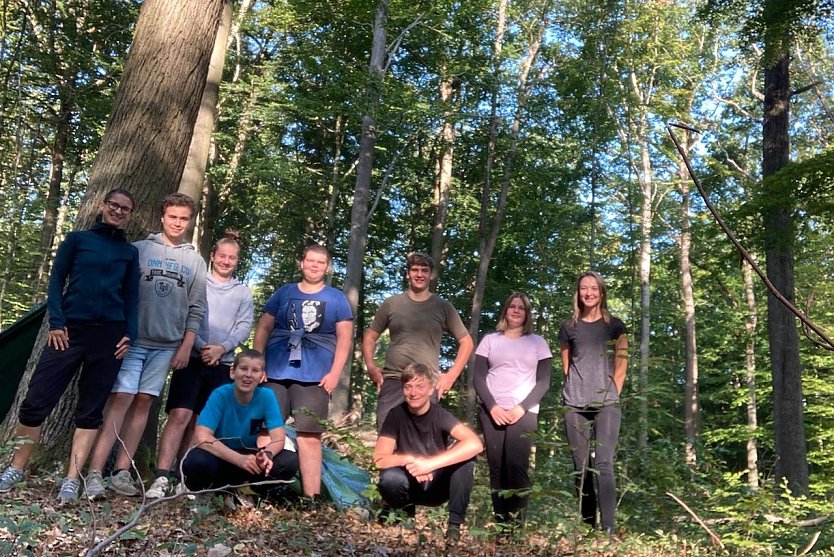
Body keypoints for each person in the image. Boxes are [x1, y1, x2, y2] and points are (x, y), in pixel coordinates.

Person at [0, 189, 139, 502]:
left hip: (109, 338)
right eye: (114, 205)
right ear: (103, 206)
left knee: (90, 412)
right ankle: (16, 467)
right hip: (69, 333)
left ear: (130, 215)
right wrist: (57, 323)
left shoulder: (130, 253)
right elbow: (56, 279)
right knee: (35, 402)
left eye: (125, 209)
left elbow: (131, 296)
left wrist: (130, 334)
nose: (118, 211)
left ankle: (72, 479)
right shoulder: (77, 240)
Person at [85, 192, 207, 499]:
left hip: (166, 345)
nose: (177, 223)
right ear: (162, 217)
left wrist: (185, 345)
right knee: (121, 398)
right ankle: (95, 472)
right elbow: (119, 294)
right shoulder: (138, 250)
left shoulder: (194, 261)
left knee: (143, 403)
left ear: (189, 222)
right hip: (132, 340)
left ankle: (121, 472)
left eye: (183, 218)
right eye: (173, 217)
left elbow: (196, 308)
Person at [145, 230, 254, 498]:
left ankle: (185, 477)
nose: (226, 261)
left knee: (200, 422)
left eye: (232, 258)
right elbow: (186, 314)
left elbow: (243, 327)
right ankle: (161, 476)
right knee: (180, 415)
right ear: (213, 256)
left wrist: (221, 349)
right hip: (192, 358)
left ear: (237, 261)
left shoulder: (243, 293)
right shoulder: (197, 281)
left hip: (223, 363)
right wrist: (202, 346)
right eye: (222, 256)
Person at [253, 244, 352, 499]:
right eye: (310, 260)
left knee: (309, 435)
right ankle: (264, 488)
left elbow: (344, 339)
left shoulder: (336, 298)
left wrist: (335, 374)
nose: (315, 265)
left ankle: (312, 497)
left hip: (315, 377)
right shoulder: (284, 293)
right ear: (302, 263)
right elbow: (264, 328)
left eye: (320, 262)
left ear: (327, 267)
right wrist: (258, 363)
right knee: (267, 430)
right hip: (275, 371)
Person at [362, 252, 473, 431]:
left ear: (431, 275)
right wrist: (372, 367)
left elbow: (466, 342)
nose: (419, 274)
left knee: (423, 441)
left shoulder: (443, 307)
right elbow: (370, 337)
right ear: (407, 274)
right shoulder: (391, 304)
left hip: (426, 383)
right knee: (386, 436)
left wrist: (450, 376)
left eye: (424, 270)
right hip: (393, 381)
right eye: (415, 270)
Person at [374, 363, 483, 542]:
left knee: (467, 463)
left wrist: (430, 465)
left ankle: (454, 528)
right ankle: (405, 521)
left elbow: (475, 444)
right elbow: (378, 459)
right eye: (408, 387)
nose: (413, 392)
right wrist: (409, 460)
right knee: (390, 478)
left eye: (420, 386)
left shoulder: (440, 415)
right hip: (409, 483)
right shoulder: (396, 415)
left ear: (431, 388)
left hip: (436, 484)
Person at [473, 292, 552, 528]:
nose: (516, 311)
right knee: (496, 469)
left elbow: (544, 381)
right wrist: (493, 407)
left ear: (527, 314)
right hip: (492, 411)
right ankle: (501, 526)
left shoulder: (538, 342)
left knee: (517, 467)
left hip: (524, 413)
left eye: (522, 308)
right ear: (505, 310)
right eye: (512, 307)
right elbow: (478, 377)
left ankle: (516, 527)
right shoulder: (490, 340)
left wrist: (522, 407)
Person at [559, 271, 628, 534]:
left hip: (607, 403)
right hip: (574, 403)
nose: (588, 293)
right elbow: (567, 365)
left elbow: (621, 364)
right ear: (578, 293)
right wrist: (575, 390)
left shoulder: (616, 326)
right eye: (583, 289)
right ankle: (588, 528)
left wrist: (612, 395)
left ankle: (608, 530)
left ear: (601, 292)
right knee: (581, 467)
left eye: (593, 289)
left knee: (604, 464)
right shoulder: (568, 327)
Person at [181, 349, 299, 498]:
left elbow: (278, 438)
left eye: (255, 371)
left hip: (249, 458)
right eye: (243, 368)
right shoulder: (220, 394)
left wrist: (267, 455)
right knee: (195, 461)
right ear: (232, 372)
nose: (248, 375)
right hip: (220, 455)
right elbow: (201, 437)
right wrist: (238, 459)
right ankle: (207, 492)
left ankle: (246, 491)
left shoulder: (266, 396)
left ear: (262, 376)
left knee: (289, 460)